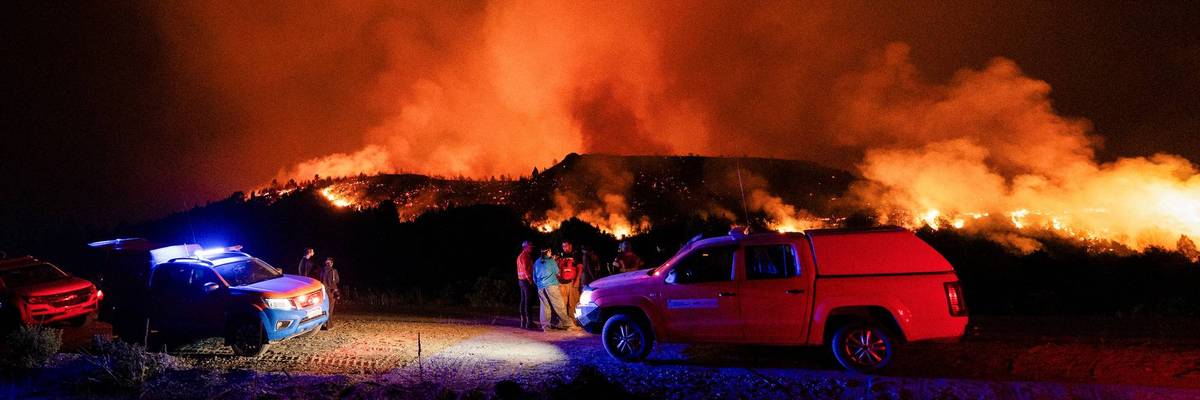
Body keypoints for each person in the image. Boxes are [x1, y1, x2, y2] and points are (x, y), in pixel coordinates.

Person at [533, 247, 571, 331]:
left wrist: (539, 285)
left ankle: (546, 327)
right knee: (559, 305)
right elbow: (558, 273)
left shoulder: (537, 262)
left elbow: (534, 278)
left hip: (540, 287)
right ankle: (568, 324)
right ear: (548, 252)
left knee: (544, 307)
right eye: (550, 251)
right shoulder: (551, 261)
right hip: (551, 286)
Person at [555, 240, 581, 324]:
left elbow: (580, 267)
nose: (564, 248)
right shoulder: (560, 255)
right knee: (562, 303)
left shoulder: (576, 254)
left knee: (572, 303)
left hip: (572, 282)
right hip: (562, 283)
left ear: (570, 245)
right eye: (563, 246)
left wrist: (577, 280)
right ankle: (562, 322)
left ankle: (572, 322)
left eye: (566, 246)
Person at [312, 257, 341, 330]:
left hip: (323, 292)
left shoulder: (321, 271)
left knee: (323, 308)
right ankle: (329, 325)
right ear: (332, 263)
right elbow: (337, 280)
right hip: (331, 292)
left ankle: (320, 324)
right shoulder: (334, 271)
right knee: (330, 309)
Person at [515, 240, 536, 330]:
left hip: (521, 280)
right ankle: (529, 322)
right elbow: (526, 270)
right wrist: (531, 281)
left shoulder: (520, 256)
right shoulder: (525, 256)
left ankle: (523, 321)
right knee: (528, 301)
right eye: (530, 247)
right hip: (525, 281)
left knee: (523, 301)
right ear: (525, 247)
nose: (531, 248)